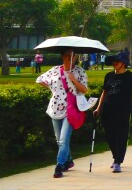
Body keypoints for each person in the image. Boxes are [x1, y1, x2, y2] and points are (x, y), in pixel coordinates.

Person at [36, 48, 89, 178]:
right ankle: (69, 160)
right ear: (62, 57)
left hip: (70, 109)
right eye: (67, 57)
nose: (70, 59)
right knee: (59, 140)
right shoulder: (55, 70)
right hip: (55, 108)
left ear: (76, 57)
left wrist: (72, 79)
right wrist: (52, 89)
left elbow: (84, 89)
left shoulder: (79, 71)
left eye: (73, 57)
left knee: (64, 140)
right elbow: (40, 79)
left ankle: (59, 166)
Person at [95, 52, 132, 174]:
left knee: (121, 136)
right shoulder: (108, 76)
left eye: (117, 61)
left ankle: (118, 161)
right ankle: (115, 157)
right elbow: (104, 93)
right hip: (108, 110)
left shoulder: (130, 76)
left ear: (123, 63)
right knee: (110, 135)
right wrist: (98, 107)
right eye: (113, 62)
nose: (114, 64)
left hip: (123, 110)